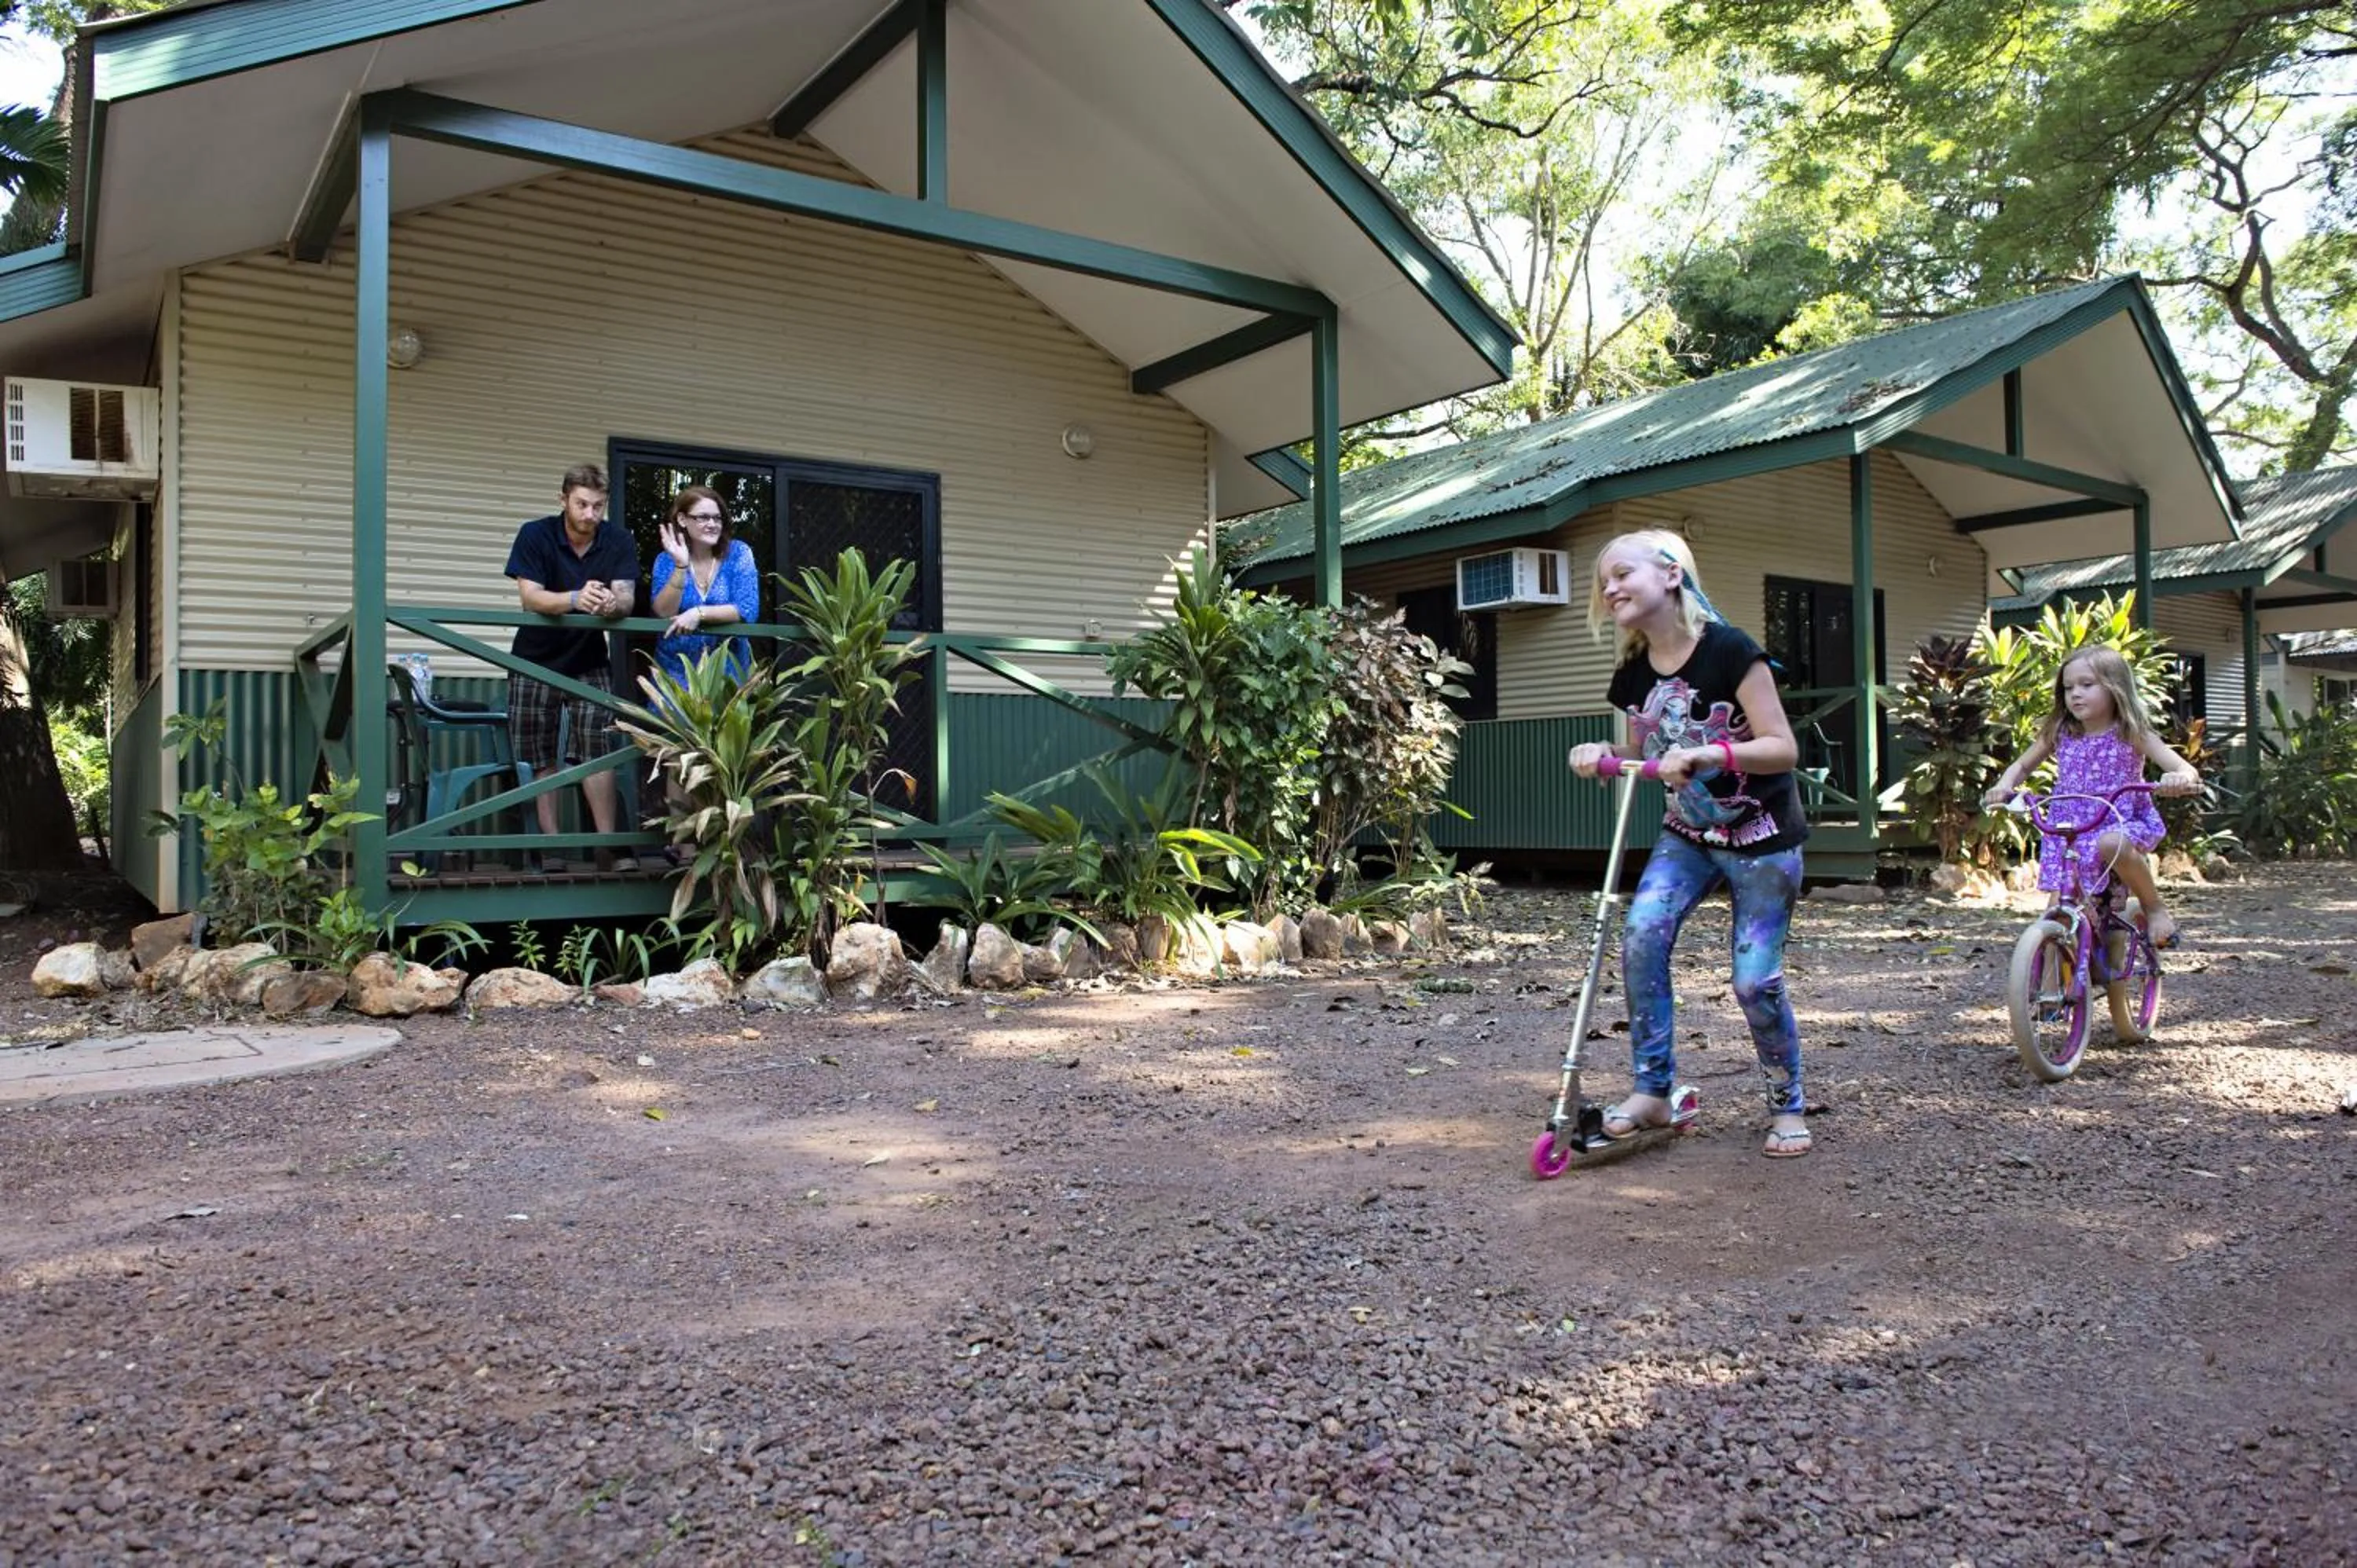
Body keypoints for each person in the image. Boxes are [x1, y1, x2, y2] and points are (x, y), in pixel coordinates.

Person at [1567, 529, 1815, 1158]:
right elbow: (1642, 750)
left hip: (1761, 836)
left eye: (1622, 573)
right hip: (1687, 835)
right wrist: (1602, 753)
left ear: (1672, 575)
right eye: (1604, 582)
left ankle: (1787, 1105)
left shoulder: (1731, 651)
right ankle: (1653, 1090)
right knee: (1641, 936)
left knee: (1754, 982)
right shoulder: (1632, 672)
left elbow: (1782, 747)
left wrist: (1715, 754)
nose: (1610, 588)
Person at [1980, 644, 2201, 948]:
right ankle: (2051, 977)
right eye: (2068, 687)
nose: (2075, 694)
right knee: (2057, 917)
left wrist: (2179, 779)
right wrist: (2004, 786)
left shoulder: (2131, 731)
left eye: (2087, 685)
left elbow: (2183, 768)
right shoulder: (2061, 731)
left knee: (2110, 842)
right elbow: (2022, 765)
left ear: (2115, 688)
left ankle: (2154, 908)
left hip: (2116, 821)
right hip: (2071, 830)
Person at [504, 463, 638, 873]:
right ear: (562, 500)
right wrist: (576, 598)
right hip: (533, 659)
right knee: (539, 754)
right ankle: (551, 847)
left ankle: (607, 847)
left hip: (590, 659)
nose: (590, 514)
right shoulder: (535, 534)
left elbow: (627, 598)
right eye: (581, 504)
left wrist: (613, 604)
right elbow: (530, 597)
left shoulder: (618, 539)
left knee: (598, 751)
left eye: (598, 506)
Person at [647, 485, 760, 689]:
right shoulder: (666, 560)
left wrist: (698, 613)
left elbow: (747, 609)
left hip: (728, 677)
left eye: (717, 518)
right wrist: (680, 566)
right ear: (683, 520)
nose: (712, 524)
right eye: (703, 518)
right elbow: (663, 612)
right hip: (676, 674)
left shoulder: (738, 553)